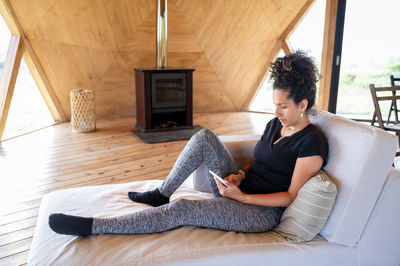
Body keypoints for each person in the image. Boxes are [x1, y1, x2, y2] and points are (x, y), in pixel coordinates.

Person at [49, 51, 329, 236]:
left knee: (183, 209)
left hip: (259, 212)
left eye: (282, 106)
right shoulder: (275, 125)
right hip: (238, 191)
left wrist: (242, 198)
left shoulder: (311, 142)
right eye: (274, 105)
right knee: (204, 136)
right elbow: (260, 160)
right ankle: (162, 192)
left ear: (303, 104)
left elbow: (290, 195)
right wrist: (239, 176)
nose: (276, 112)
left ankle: (94, 227)